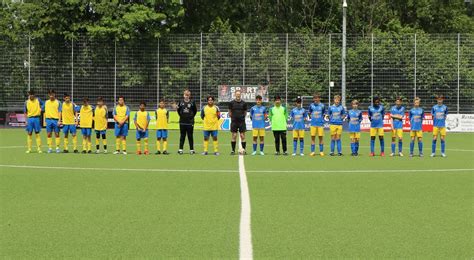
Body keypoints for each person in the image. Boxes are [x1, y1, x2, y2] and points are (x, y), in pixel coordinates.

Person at [177, 89, 197, 155]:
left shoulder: (192, 102)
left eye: (188, 95)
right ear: (183, 95)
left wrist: (191, 117)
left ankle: (191, 150)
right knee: (182, 136)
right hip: (182, 122)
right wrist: (182, 116)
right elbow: (178, 110)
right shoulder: (180, 102)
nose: (186, 96)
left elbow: (195, 111)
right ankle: (180, 149)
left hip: (190, 122)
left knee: (190, 136)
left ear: (189, 95)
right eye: (185, 95)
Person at [229, 90, 248, 155]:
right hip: (234, 122)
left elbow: (245, 112)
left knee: (242, 136)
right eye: (237, 94)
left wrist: (241, 117)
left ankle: (244, 150)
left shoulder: (244, 103)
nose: (238, 96)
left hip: (241, 122)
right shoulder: (231, 103)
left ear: (240, 95)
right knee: (234, 136)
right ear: (235, 95)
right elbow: (230, 112)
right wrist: (233, 117)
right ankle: (233, 150)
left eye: (239, 94)